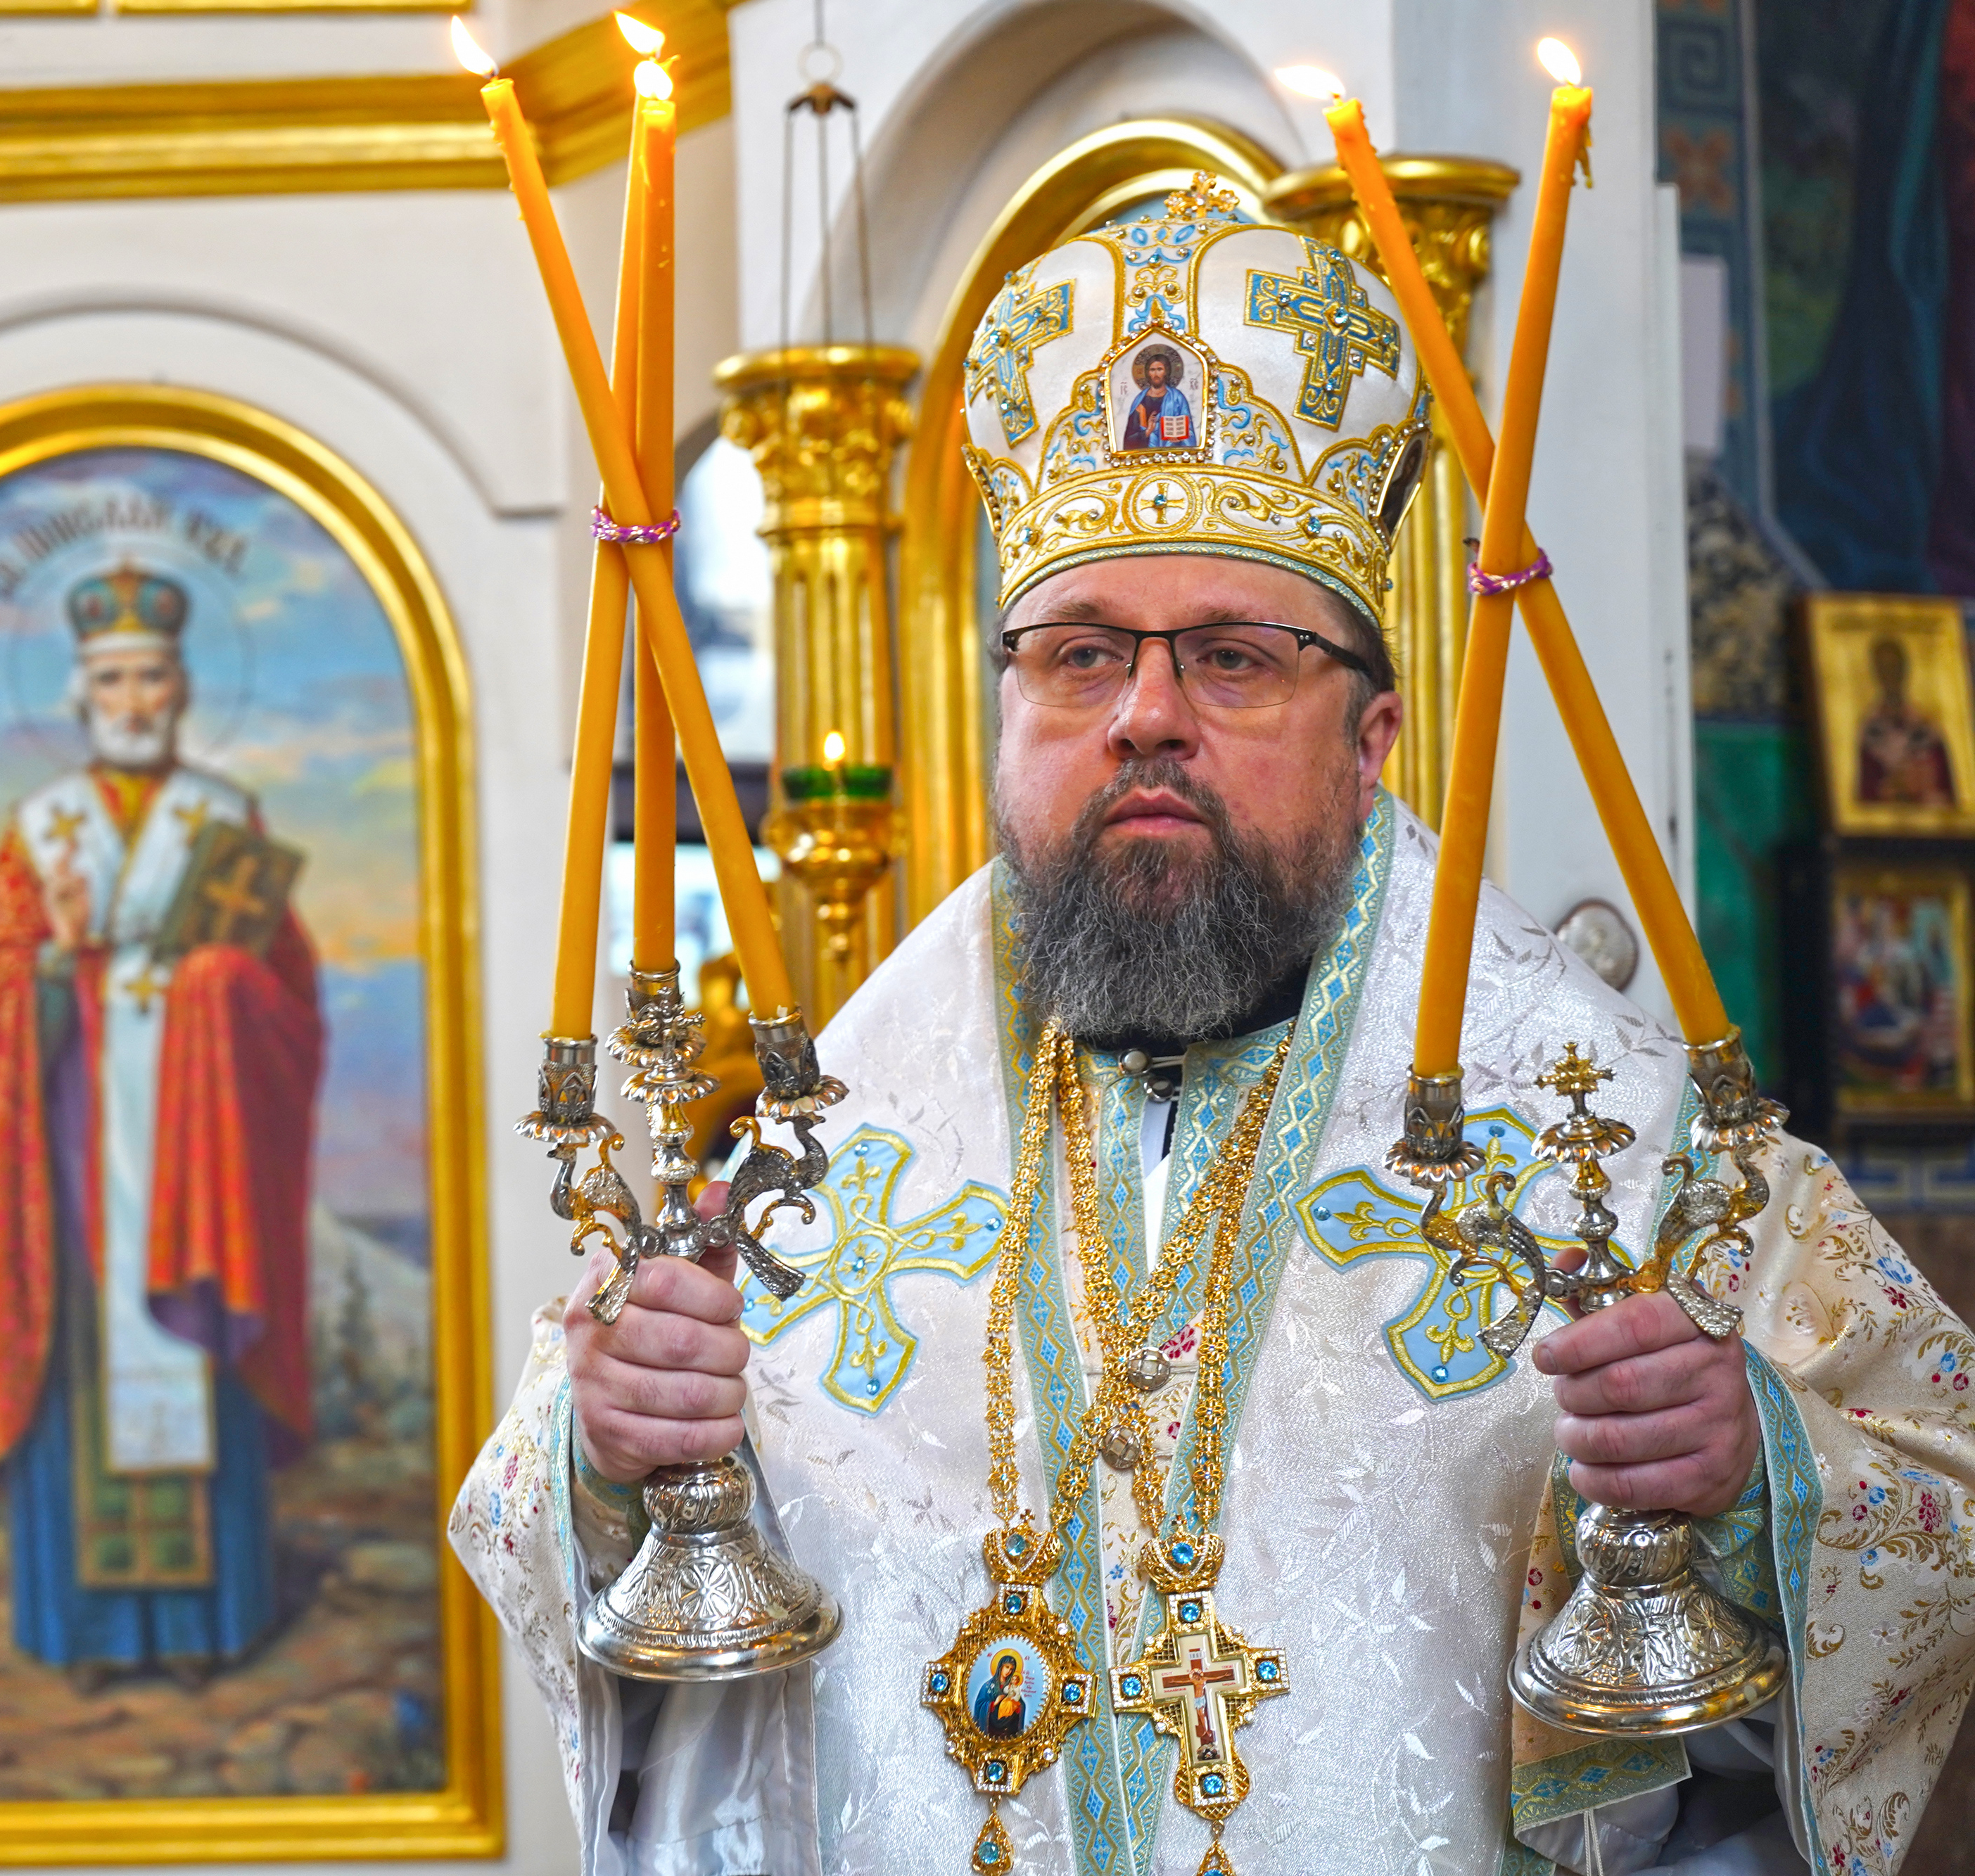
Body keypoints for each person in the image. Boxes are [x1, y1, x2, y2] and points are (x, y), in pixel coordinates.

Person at [450, 184, 1975, 1876]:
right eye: (1079, 657)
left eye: (1235, 661)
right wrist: (604, 1453)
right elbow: (551, 1517)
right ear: (1008, 702)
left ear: (1374, 733)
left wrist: (1749, 1472)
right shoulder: (828, 1145)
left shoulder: (1610, 1144)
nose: (1146, 718)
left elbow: (1932, 1482)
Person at [0, 559, 323, 1690]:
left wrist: (219, 983)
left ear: (183, 685)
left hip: (199, 1163)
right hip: (71, 1153)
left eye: (151, 675)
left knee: (191, 1346)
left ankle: (208, 1623)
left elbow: (290, 1002)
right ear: (79, 690)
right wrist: (54, 964)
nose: (132, 697)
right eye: (111, 676)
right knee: (86, 1358)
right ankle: (90, 1633)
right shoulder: (41, 828)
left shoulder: (224, 819)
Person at [1854, 633, 1957, 805]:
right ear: (1876, 673)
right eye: (1884, 669)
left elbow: (1945, 788)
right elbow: (1867, 794)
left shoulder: (1926, 727)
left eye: (1895, 668)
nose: (1890, 676)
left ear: (1905, 670)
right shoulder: (1870, 729)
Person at [1122, 343, 1196, 449]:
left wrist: (1180, 437)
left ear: (1166, 372)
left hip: (1171, 452)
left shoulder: (1177, 398)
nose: (1156, 374)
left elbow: (1189, 431)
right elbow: (1129, 440)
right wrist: (1147, 432)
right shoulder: (1140, 400)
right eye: (1152, 370)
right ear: (1148, 373)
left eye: (1160, 369)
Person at [972, 1651, 1029, 1741]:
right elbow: (979, 1704)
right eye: (1007, 1667)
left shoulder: (1012, 1687)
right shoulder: (988, 1686)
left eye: (1011, 1669)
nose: (1009, 1671)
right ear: (1000, 1667)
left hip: (1010, 1730)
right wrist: (994, 1704)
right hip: (991, 1730)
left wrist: (1017, 1707)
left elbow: (1021, 1704)